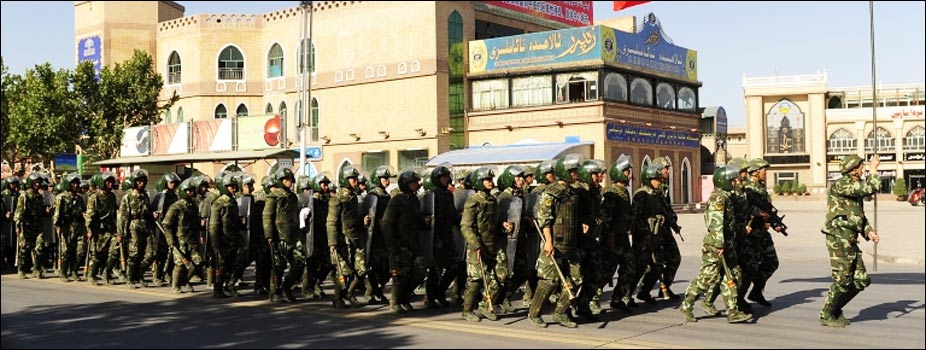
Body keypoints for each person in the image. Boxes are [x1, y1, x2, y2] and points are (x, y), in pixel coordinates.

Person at [679, 166, 752, 324]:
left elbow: (730, 222)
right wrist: (719, 244)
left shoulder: (727, 196)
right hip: (716, 245)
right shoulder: (719, 198)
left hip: (727, 243)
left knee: (733, 275)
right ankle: (686, 305)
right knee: (707, 279)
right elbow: (715, 223)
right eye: (732, 180)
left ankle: (733, 311)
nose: (735, 182)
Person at [819, 155, 881, 328]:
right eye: (862, 166)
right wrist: (874, 170)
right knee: (843, 280)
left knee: (861, 279)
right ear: (853, 169)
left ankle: (835, 308)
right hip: (839, 237)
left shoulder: (854, 188)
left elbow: (857, 215)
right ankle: (828, 312)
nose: (864, 169)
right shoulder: (842, 183)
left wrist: (869, 231)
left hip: (850, 237)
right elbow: (871, 187)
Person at [528, 154, 586, 328]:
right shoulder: (552, 192)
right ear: (565, 172)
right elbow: (544, 218)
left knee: (576, 279)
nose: (576, 174)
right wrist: (548, 241)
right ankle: (534, 313)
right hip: (554, 242)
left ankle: (560, 313)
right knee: (548, 281)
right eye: (573, 171)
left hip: (571, 244)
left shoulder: (573, 192)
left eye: (576, 170)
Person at [460, 167, 507, 322]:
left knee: (502, 275)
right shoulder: (473, 201)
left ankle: (486, 305)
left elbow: (493, 223)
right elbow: (466, 226)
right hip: (478, 246)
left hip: (493, 244)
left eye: (490, 180)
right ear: (478, 182)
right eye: (487, 180)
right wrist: (475, 244)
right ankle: (467, 310)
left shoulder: (493, 200)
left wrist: (503, 226)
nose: (490, 182)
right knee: (476, 279)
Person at [381, 169, 428, 315]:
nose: (417, 184)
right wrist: (390, 243)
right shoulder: (397, 200)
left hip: (413, 243)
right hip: (400, 244)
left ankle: (405, 298)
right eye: (413, 182)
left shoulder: (414, 199)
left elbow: (416, 219)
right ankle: (395, 301)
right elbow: (387, 222)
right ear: (406, 184)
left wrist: (425, 222)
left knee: (419, 273)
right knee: (400, 275)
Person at [741, 158, 780, 307]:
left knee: (772, 262)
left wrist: (775, 223)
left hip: (762, 232)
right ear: (756, 172)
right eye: (764, 170)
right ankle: (739, 300)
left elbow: (768, 208)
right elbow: (744, 207)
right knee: (750, 268)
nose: (766, 173)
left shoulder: (761, 187)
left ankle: (757, 291)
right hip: (751, 233)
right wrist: (758, 213)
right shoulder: (746, 188)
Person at [326, 165, 367, 308]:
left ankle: (349, 292)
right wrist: (332, 242)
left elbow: (355, 218)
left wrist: (363, 222)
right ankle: (338, 299)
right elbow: (331, 223)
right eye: (352, 179)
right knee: (344, 271)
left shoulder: (354, 198)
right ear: (345, 180)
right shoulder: (336, 200)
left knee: (362, 269)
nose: (356, 181)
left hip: (355, 238)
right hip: (342, 240)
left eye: (356, 179)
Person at [601, 155, 637, 312]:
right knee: (607, 271)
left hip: (622, 237)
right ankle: (591, 299)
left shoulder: (624, 191)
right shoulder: (611, 192)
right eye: (626, 171)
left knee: (629, 267)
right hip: (613, 238)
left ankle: (617, 298)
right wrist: (609, 235)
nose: (629, 174)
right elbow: (605, 216)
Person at [264, 168, 305, 303]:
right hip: (278, 235)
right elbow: (267, 216)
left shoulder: (293, 197)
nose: (289, 182)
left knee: (299, 262)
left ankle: (287, 287)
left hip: (293, 235)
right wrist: (269, 234)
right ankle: (275, 291)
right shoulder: (274, 196)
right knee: (278, 265)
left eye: (290, 179)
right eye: (285, 180)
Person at [161, 177, 202, 293]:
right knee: (180, 264)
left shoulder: (193, 205)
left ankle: (185, 281)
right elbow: (166, 224)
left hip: (192, 239)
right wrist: (170, 240)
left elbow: (195, 222)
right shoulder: (176, 206)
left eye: (192, 190)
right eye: (188, 190)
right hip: (180, 240)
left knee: (198, 262)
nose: (191, 193)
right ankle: (176, 285)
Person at [118, 169, 154, 288]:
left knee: (150, 253)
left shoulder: (145, 196)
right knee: (135, 254)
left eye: (143, 181)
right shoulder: (127, 197)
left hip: (146, 226)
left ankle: (139, 274)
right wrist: (121, 233)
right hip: (133, 226)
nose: (141, 183)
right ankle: (131, 278)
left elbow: (148, 211)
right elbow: (122, 216)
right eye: (138, 181)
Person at [651, 156, 682, 300]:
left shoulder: (664, 188)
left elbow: (667, 209)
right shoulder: (649, 190)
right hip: (655, 231)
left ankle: (666, 287)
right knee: (650, 264)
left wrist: (673, 223)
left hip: (666, 230)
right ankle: (636, 292)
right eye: (666, 169)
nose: (668, 172)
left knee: (674, 258)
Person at [85, 172, 119, 285]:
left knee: (116, 250)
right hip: (98, 229)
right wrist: (89, 230)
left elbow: (114, 213)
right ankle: (92, 275)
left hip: (110, 228)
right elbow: (90, 215)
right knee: (98, 253)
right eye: (107, 182)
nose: (110, 184)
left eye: (111, 182)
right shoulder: (94, 197)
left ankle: (107, 272)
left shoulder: (112, 196)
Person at [53, 173, 85, 282]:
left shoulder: (80, 198)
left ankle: (74, 270)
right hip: (66, 226)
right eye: (73, 184)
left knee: (80, 251)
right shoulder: (61, 197)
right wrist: (57, 226)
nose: (75, 186)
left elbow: (83, 212)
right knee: (66, 251)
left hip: (78, 226)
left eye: (76, 183)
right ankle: (63, 272)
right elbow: (57, 213)